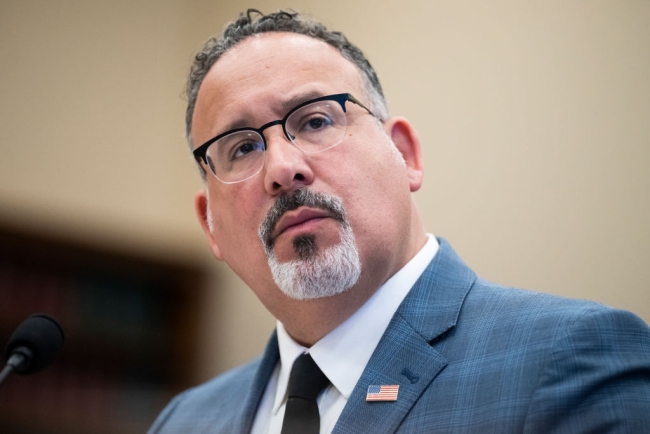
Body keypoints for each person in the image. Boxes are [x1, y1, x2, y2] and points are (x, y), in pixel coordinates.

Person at [149, 9, 650, 433]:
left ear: (404, 153)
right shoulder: (184, 422)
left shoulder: (571, 359)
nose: (282, 168)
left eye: (315, 121)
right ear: (210, 225)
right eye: (241, 148)